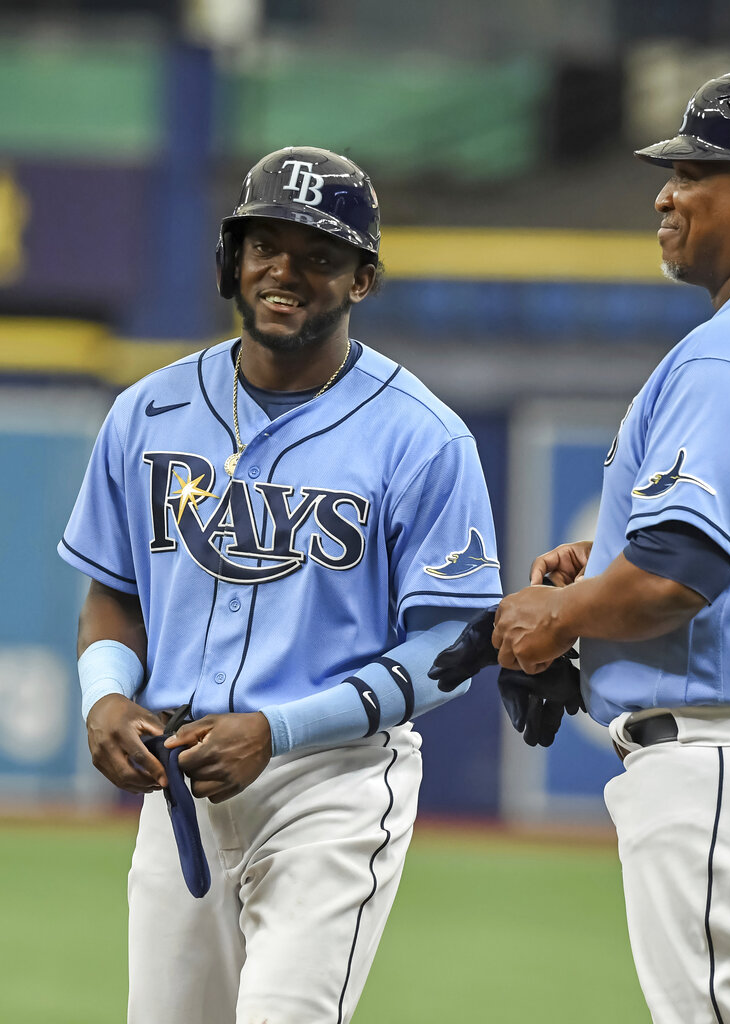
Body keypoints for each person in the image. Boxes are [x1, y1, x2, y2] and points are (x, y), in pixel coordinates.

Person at [437, 71, 730, 1023]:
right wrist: (608, 554)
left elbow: (671, 582)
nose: (662, 194)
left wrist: (556, 617)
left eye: (692, 171)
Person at [58, 146, 502, 1024]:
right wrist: (105, 697)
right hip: (181, 784)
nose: (284, 273)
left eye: (320, 256)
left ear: (362, 280)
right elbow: (115, 594)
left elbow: (453, 646)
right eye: (265, 246)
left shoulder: (422, 438)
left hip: (330, 782)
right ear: (232, 259)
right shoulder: (147, 410)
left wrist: (279, 728)